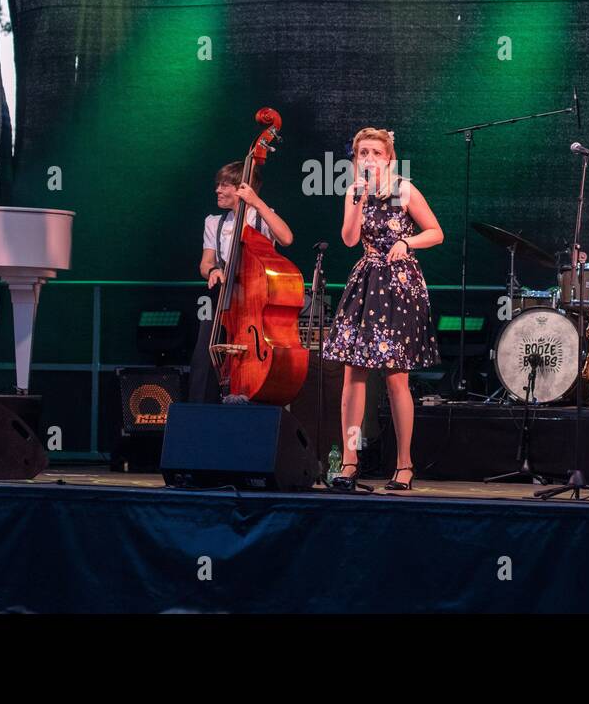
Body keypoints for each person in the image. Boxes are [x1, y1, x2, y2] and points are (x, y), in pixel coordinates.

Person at [323, 128, 443, 491]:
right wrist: (358, 200)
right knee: (353, 373)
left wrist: (407, 242)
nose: (369, 158)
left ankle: (404, 464)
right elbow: (348, 239)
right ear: (356, 159)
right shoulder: (353, 191)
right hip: (365, 281)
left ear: (389, 157)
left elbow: (436, 232)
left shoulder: (404, 190)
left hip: (400, 286)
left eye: (376, 152)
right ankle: (349, 460)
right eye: (363, 153)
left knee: (395, 378)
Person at [188, 161, 294, 404]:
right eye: (218, 185)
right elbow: (205, 263)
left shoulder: (262, 217)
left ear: (241, 188)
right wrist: (213, 270)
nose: (218, 190)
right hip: (224, 297)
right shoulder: (214, 222)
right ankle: (201, 415)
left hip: (254, 300)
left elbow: (286, 238)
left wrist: (256, 202)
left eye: (224, 185)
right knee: (205, 355)